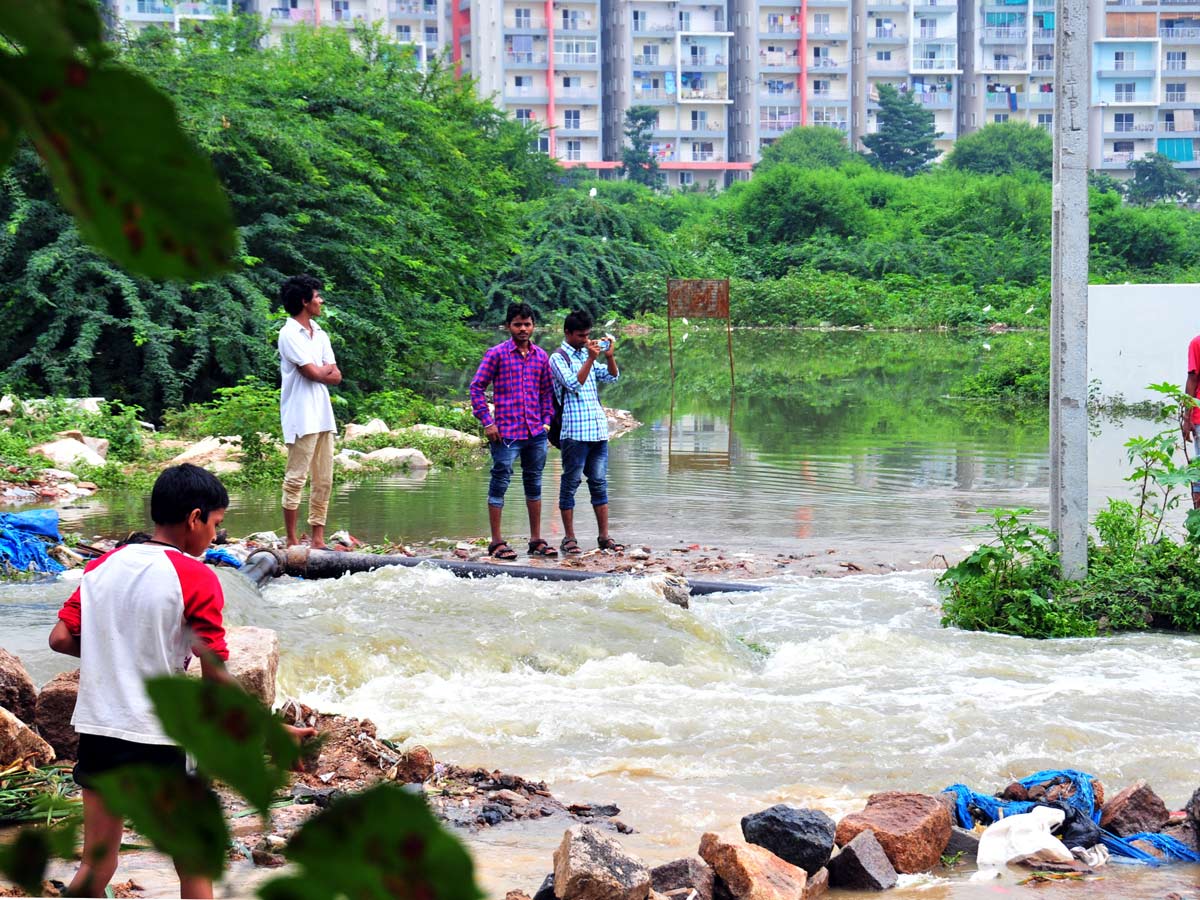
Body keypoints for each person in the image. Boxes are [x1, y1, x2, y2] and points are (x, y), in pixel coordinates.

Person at [45, 465, 301, 899]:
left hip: (100, 729)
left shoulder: (102, 566)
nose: (216, 538)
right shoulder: (196, 576)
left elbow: (61, 638)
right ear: (194, 518)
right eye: (217, 524)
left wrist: (119, 655)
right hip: (161, 735)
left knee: (97, 861)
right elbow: (215, 676)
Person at [469, 302, 556, 560]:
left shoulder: (541, 356)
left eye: (527, 324)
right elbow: (477, 388)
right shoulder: (496, 354)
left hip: (535, 433)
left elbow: (546, 393)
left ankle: (536, 539)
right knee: (500, 483)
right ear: (508, 326)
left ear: (534, 326)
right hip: (505, 433)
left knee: (534, 484)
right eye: (517, 324)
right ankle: (496, 542)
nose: (523, 329)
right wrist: (487, 422)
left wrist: (547, 422)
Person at [550, 310, 624, 555]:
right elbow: (572, 384)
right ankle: (569, 538)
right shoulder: (558, 358)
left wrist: (609, 357)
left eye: (588, 335)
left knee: (600, 483)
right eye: (581, 335)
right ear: (568, 333)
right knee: (570, 483)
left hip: (598, 432)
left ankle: (604, 536)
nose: (585, 339)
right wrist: (591, 359)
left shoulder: (585, 353)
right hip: (574, 433)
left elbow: (612, 377)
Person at [278, 274, 341, 549]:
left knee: (324, 478)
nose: (321, 300)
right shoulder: (289, 333)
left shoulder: (321, 333)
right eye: (316, 296)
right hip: (300, 416)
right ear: (304, 301)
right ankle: (291, 539)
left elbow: (335, 375)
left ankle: (317, 538)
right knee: (296, 478)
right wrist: (322, 371)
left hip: (323, 414)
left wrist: (321, 371)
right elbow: (313, 372)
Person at [1183, 334, 1200, 508]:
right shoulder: (1197, 343)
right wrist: (1187, 417)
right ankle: (1197, 523)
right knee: (1199, 471)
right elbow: (1193, 379)